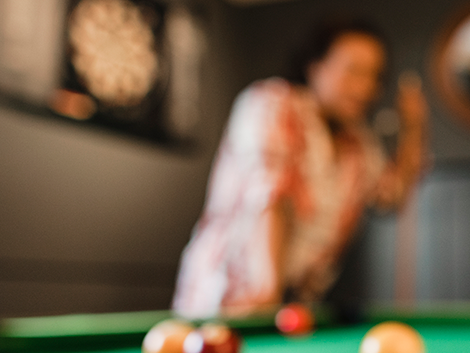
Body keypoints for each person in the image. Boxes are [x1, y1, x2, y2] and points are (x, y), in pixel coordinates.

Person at [173, 18, 427, 318]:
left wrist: (413, 129)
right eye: (354, 71)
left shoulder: (360, 142)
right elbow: (270, 195)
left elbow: (391, 197)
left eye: (374, 76)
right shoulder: (271, 103)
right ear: (316, 66)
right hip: (228, 296)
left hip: (293, 306)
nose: (366, 87)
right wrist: (269, 290)